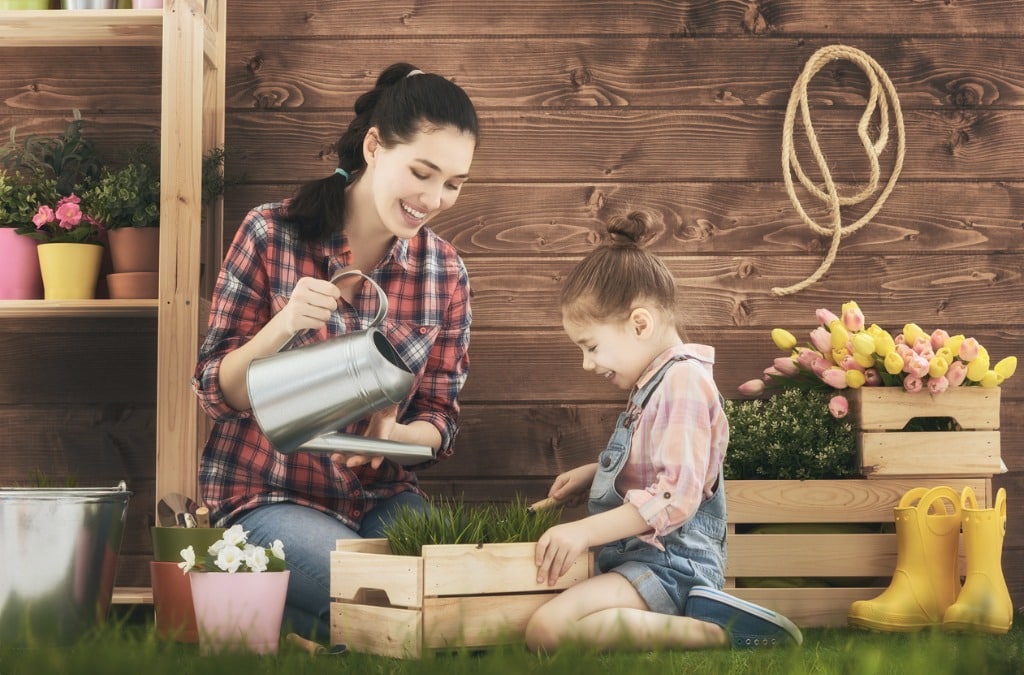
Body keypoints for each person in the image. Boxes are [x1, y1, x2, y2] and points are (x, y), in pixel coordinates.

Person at [192, 62, 479, 638]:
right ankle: (289, 616)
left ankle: (282, 619)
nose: (434, 198)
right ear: (375, 146)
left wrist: (393, 437)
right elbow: (215, 393)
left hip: (379, 498)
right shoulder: (271, 233)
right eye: (422, 172)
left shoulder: (444, 271)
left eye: (453, 183)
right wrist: (282, 326)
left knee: (458, 601)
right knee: (389, 606)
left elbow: (439, 422)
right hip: (266, 495)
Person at [524, 211, 803, 652]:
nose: (587, 363)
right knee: (550, 627)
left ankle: (716, 633)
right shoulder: (655, 385)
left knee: (547, 630)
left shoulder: (682, 383)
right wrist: (593, 472)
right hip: (642, 562)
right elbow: (660, 465)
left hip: (671, 567)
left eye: (591, 346)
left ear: (640, 324)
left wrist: (581, 533)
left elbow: (672, 498)